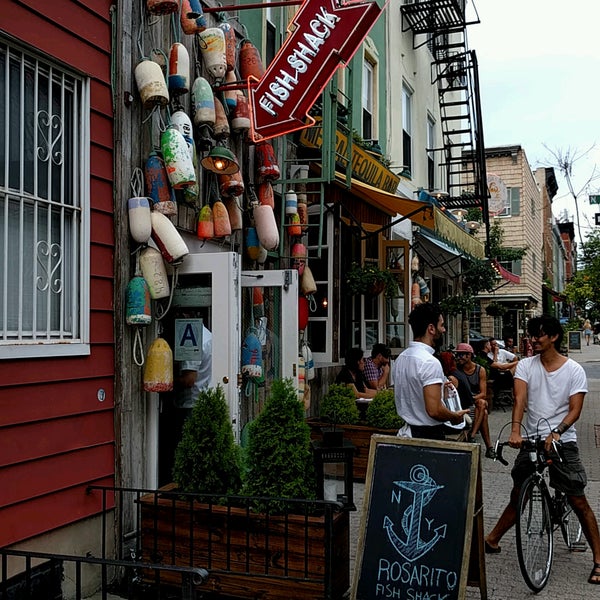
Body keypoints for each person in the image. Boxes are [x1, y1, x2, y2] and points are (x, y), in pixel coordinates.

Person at [485, 315, 600, 585]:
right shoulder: (525, 365)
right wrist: (515, 430)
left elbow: (576, 410)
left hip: (562, 438)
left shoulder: (573, 370)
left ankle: (598, 559)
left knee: (577, 499)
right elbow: (520, 399)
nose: (534, 339)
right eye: (532, 334)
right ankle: (492, 539)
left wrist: (557, 431)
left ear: (554, 337)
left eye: (539, 335)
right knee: (519, 494)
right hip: (533, 439)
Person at [393, 303, 468, 440]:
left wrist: (441, 392)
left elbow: (413, 395)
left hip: (407, 432)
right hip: (428, 435)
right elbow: (434, 410)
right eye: (442, 325)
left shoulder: (401, 358)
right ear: (431, 328)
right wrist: (454, 417)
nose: (444, 330)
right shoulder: (429, 362)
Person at [455, 342, 496, 458]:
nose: (459, 358)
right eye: (457, 355)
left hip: (475, 400)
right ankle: (489, 447)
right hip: (463, 401)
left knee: (482, 402)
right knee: (485, 413)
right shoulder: (457, 369)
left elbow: (483, 393)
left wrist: (471, 398)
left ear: (469, 355)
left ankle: (472, 435)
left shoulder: (479, 370)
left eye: (461, 355)